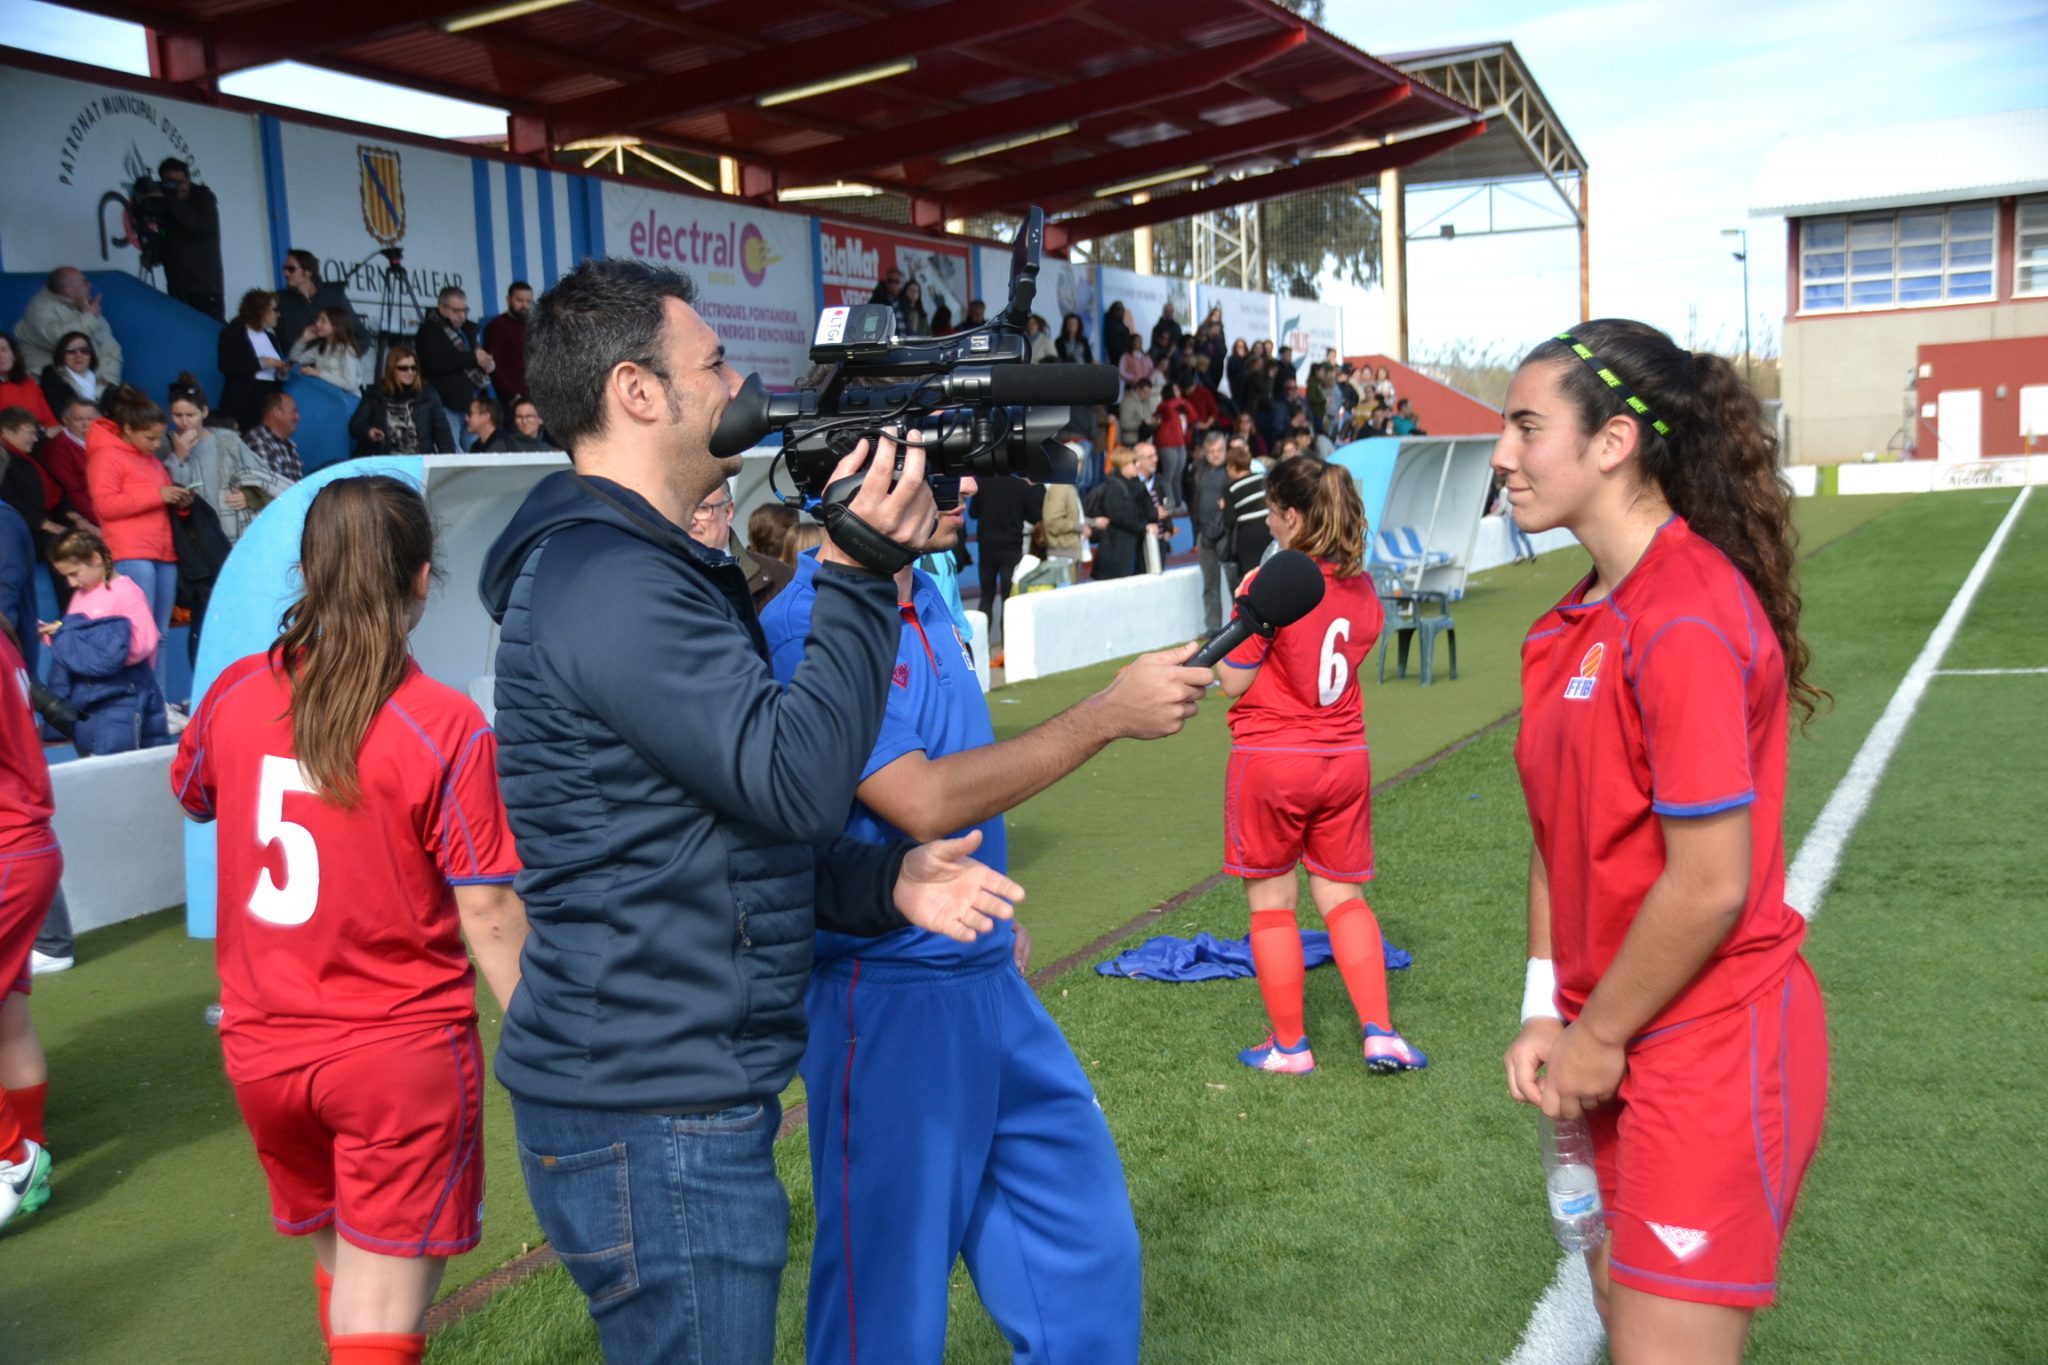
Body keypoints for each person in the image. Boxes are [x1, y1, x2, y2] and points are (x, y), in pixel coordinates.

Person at [476, 257, 1023, 1364]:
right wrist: (859, 571)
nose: (737, 383)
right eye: (712, 362)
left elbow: (712, 838)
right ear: (639, 392)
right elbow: (797, 783)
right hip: (650, 1108)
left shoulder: (637, 567)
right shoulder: (608, 579)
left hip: (665, 1094)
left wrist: (882, 882)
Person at [759, 480, 1209, 1365]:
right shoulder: (805, 618)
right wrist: (1107, 716)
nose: (966, 481)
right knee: (883, 1315)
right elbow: (919, 798)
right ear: (856, 470)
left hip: (983, 978)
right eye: (936, 454)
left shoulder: (925, 587)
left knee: (1087, 1262)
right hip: (882, 999)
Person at [1497, 321, 1828, 1361]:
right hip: (1612, 1039)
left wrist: (1597, 1040)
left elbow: (1708, 886)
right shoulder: (1568, 622)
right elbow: (1557, 834)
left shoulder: (1680, 614)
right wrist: (1547, 1006)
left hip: (1704, 1045)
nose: (1500, 457)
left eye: (1523, 428)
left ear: (1612, 443)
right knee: (1620, 1322)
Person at [171, 475, 529, 1365]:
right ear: (420, 576)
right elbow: (485, 905)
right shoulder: (440, 722)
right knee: (381, 1315)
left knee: (352, 1281)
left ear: (309, 572)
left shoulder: (233, 694)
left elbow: (194, 793)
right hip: (393, 1054)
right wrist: (544, 1028)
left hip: (263, 1053)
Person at [1213, 456, 1424, 1077]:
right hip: (1345, 759)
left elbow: (1232, 678)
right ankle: (1381, 1034)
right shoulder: (1361, 588)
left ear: (1295, 517)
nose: (1269, 524)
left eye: (1274, 513)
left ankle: (1289, 1047)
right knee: (1343, 897)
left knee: (1274, 905)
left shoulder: (1269, 580)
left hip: (1274, 759)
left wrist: (1242, 606)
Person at [0, 618, 63, 1231]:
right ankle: (30, 1159)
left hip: (6, 848)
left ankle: (13, 1158)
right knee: (8, 1017)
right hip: (24, 846)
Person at [84, 387, 185, 687]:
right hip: (131, 553)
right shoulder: (105, 456)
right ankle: (137, 701)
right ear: (127, 429)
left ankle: (157, 701)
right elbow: (106, 505)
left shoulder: (152, 461)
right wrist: (158, 495)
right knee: (137, 633)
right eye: (149, 438)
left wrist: (180, 503)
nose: (156, 445)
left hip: (163, 553)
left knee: (160, 633)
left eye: (159, 438)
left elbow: (160, 502)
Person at [41, 529, 169, 755]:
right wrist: (56, 633)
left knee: (122, 764)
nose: (71, 583)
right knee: (93, 759)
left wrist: (89, 646)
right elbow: (77, 646)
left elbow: (143, 644)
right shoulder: (82, 594)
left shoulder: (127, 593)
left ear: (96, 559)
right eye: (66, 577)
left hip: (125, 695)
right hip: (89, 697)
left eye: (75, 573)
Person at [163, 375, 295, 543]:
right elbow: (173, 496)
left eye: (190, 414)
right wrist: (179, 456)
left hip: (234, 530)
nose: (184, 422)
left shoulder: (227, 440)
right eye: (177, 415)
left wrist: (249, 495)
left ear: (204, 412)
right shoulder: (165, 445)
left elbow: (262, 476)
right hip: (196, 536)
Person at [685, 480, 791, 613]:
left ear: (728, 512)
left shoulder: (781, 578)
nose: (691, 520)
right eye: (684, 509)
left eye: (702, 508)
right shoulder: (659, 572)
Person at [967, 471, 1043, 653]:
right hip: (1012, 547)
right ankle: (1006, 647)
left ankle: (980, 646)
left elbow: (973, 512)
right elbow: (1035, 516)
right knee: (1008, 599)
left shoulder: (983, 483)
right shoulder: (1021, 486)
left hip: (987, 547)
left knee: (987, 596)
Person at [414, 288, 494, 450]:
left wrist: (487, 363)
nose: (462, 315)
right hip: (447, 403)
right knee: (453, 451)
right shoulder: (429, 331)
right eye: (456, 310)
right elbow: (434, 362)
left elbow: (477, 357)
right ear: (442, 309)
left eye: (465, 310)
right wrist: (472, 358)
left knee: (475, 451)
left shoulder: (468, 330)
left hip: (472, 403)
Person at [146, 157, 224, 319]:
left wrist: (172, 200)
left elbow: (199, 227)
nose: (177, 188)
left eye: (180, 182)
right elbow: (162, 243)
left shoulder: (203, 198)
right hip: (177, 288)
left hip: (204, 290)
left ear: (188, 181)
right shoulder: (167, 207)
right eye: (171, 183)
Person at [14, 268, 123, 383]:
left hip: (91, 389)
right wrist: (89, 317)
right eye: (84, 282)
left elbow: (111, 352)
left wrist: (107, 384)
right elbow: (63, 340)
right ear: (69, 291)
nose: (90, 286)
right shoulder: (39, 310)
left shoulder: (87, 308)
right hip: (53, 389)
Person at [349, 346, 454, 457]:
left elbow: (443, 433)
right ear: (391, 369)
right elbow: (356, 424)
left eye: (414, 368)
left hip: (419, 461)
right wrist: (368, 431)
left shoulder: (428, 394)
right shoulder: (375, 394)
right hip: (385, 461)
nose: (410, 372)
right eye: (404, 368)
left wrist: (449, 460)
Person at [217, 290, 290, 432]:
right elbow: (226, 365)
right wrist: (261, 363)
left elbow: (276, 376)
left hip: (269, 398)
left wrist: (282, 372)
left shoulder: (271, 338)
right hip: (246, 399)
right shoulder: (233, 333)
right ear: (261, 310)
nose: (278, 314)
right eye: (274, 310)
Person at [1189, 430, 1234, 633]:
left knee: (1235, 582)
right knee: (1210, 583)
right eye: (1211, 451)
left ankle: (1239, 628)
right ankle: (1213, 629)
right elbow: (1193, 500)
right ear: (1205, 453)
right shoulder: (1198, 470)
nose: (1216, 454)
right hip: (1204, 533)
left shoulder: (1232, 470)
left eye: (1219, 450)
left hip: (1227, 532)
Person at [1088, 444, 1154, 581]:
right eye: (1134, 462)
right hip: (1115, 548)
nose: (1138, 465)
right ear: (1123, 465)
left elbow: (1150, 511)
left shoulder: (1136, 485)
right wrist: (1143, 526)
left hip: (1130, 547)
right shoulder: (1114, 487)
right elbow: (1117, 516)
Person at [275, 250, 360, 354]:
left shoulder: (334, 296)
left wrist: (342, 361)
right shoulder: (279, 300)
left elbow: (360, 334)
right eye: (285, 269)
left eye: (291, 269)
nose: (286, 273)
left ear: (308, 271)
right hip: (299, 366)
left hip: (331, 367)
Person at [1225, 440, 1271, 590]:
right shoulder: (1262, 479)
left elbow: (1230, 520)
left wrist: (1222, 507)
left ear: (1232, 466)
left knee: (1251, 580)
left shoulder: (1230, 488)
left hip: (1248, 537)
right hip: (1268, 529)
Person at [289, 307, 366, 393]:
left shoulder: (346, 350)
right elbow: (295, 359)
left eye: (323, 321)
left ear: (336, 327)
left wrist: (318, 373)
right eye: (318, 319)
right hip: (327, 396)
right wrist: (303, 340)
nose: (317, 324)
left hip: (345, 401)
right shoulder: (320, 347)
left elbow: (350, 384)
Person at [482, 281, 535, 405]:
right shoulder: (497, 326)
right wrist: (510, 395)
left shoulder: (532, 325)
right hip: (514, 399)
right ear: (508, 300)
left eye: (528, 301)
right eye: (520, 300)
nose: (524, 305)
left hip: (535, 396)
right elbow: (493, 364)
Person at [39, 331, 109, 418]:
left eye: (84, 351)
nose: (78, 355)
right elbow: (60, 413)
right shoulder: (53, 377)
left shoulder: (103, 383)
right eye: (71, 351)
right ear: (61, 355)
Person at [1152, 381, 1196, 513]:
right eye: (1175, 389)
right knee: (1168, 477)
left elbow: (1193, 417)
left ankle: (1178, 503)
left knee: (1178, 476)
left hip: (1180, 444)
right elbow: (1170, 408)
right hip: (1167, 444)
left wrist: (1185, 403)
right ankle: (1170, 505)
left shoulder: (1180, 406)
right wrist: (1181, 401)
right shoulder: (1163, 406)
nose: (1178, 392)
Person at [244, 391, 305, 483]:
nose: (298, 417)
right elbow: (268, 488)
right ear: (276, 412)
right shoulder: (259, 441)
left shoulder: (290, 447)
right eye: (294, 411)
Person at [0, 333, 56, 431]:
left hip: (41, 438)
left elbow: (51, 422)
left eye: (4, 349)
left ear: (14, 355)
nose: (1, 355)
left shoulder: (28, 383)